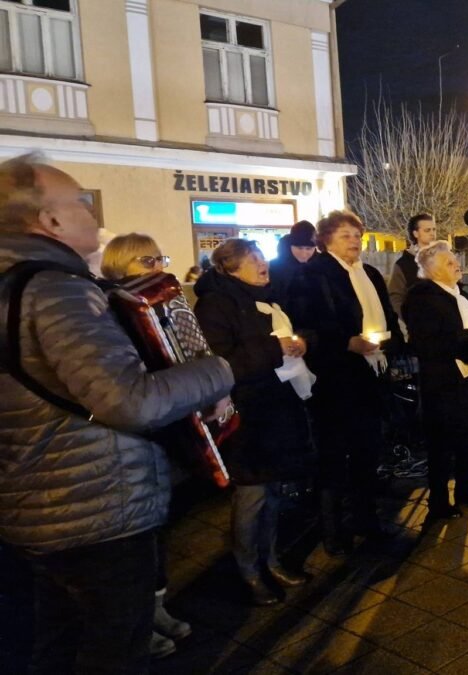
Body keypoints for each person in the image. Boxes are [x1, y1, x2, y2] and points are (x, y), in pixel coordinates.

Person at [0, 155, 233, 673]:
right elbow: (130, 402)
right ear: (50, 220)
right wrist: (218, 371)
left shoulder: (16, 283)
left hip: (42, 503)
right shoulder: (56, 289)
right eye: (81, 202)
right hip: (94, 508)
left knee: (58, 643)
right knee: (113, 651)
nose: (93, 213)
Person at [194, 239, 316, 605]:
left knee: (273, 493)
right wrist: (275, 348)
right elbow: (222, 364)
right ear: (231, 268)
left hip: (278, 409)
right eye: (255, 258)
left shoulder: (268, 298)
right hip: (247, 415)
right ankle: (248, 571)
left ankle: (271, 560)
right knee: (252, 496)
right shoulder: (215, 305)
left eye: (263, 256)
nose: (264, 263)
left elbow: (295, 331)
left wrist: (301, 343)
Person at [99, 233, 194, 658]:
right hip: (127, 438)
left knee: (156, 528)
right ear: (119, 266)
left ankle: (156, 606)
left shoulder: (158, 303)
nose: (158, 267)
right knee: (130, 540)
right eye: (146, 260)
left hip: (159, 431)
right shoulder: (110, 309)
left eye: (160, 259)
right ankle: (136, 623)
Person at [288, 210, 402, 554]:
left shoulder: (369, 273)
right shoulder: (313, 274)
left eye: (357, 235)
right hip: (335, 379)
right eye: (345, 236)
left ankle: (367, 519)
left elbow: (386, 314)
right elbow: (305, 325)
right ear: (326, 241)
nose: (354, 241)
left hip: (371, 373)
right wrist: (345, 342)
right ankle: (334, 530)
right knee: (335, 455)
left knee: (368, 451)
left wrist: (391, 343)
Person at [404, 241, 468, 518]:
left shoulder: (460, 295)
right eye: (449, 262)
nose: (457, 265)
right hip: (442, 384)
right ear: (431, 270)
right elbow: (428, 342)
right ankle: (439, 502)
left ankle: (466, 491)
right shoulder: (421, 298)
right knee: (441, 446)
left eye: (455, 260)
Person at [387, 212, 437, 330]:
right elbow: (396, 297)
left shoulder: (442, 258)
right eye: (427, 230)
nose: (432, 233)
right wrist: (410, 319)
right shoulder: (403, 265)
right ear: (415, 233)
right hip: (420, 327)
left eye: (434, 229)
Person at [269, 220, 316, 305]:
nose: (304, 254)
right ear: (290, 245)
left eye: (309, 249)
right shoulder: (274, 267)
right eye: (299, 248)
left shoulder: (321, 265)